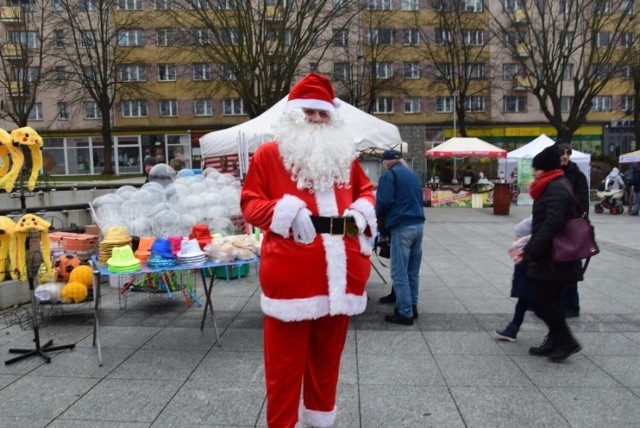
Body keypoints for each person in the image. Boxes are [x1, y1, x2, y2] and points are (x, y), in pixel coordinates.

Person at [240, 73, 376, 427]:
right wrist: (284, 213)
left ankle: (319, 421)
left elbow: (367, 191)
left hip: (342, 278)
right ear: (293, 115)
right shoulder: (269, 155)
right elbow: (250, 204)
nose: (316, 120)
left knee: (327, 361)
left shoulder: (345, 157)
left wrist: (362, 213)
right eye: (309, 113)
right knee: (284, 369)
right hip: (292, 278)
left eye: (322, 114)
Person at [519, 145, 583, 362]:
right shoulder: (553, 185)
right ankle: (555, 341)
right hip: (553, 254)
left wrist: (533, 248)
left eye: (536, 169)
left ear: (545, 169)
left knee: (539, 299)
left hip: (554, 255)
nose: (534, 173)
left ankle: (566, 340)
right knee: (552, 299)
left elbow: (553, 221)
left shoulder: (556, 187)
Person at [376, 149, 425, 325]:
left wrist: (377, 216)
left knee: (399, 271)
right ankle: (412, 306)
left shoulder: (389, 175)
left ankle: (404, 313)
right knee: (413, 271)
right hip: (418, 226)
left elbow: (384, 202)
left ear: (386, 163)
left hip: (401, 226)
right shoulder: (412, 175)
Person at [558, 143, 589, 318]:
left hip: (570, 227)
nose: (564, 156)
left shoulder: (577, 176)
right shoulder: (552, 173)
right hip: (555, 225)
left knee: (569, 267)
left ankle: (571, 305)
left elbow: (582, 204)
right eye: (562, 153)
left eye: (567, 153)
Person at [494, 216, 533, 342]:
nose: (515, 239)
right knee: (525, 298)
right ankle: (513, 329)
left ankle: (562, 336)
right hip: (533, 262)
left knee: (541, 303)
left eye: (518, 237)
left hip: (535, 263)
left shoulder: (524, 253)